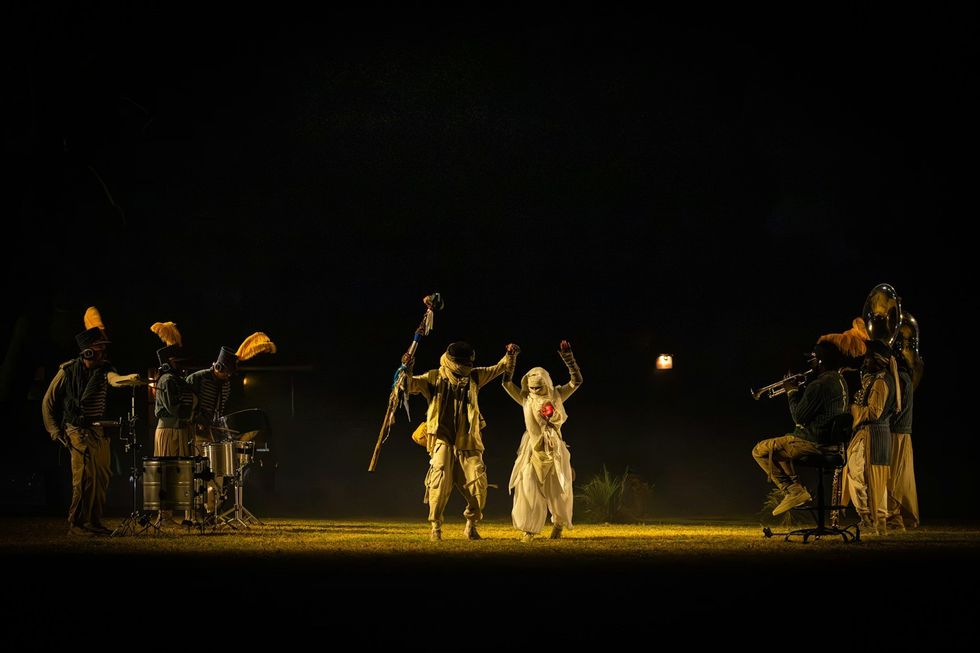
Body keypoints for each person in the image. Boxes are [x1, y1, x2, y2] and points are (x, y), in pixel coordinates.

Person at [41, 307, 142, 536]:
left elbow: (114, 380)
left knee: (101, 477)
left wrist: (130, 379)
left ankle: (94, 522)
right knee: (84, 478)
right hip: (76, 430)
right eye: (100, 349)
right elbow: (48, 401)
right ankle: (76, 525)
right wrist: (55, 431)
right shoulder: (67, 371)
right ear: (87, 352)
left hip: (98, 431)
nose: (104, 353)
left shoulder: (105, 369)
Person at [407, 341, 517, 541]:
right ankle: (436, 528)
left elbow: (499, 368)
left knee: (478, 483)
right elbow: (409, 385)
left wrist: (510, 355)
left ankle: (471, 525)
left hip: (468, 441)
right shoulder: (434, 377)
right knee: (438, 482)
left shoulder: (474, 376)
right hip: (442, 439)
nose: (463, 368)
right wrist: (407, 368)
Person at [752, 341, 850, 516]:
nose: (809, 363)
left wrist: (791, 391)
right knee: (781, 446)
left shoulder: (819, 385)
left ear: (820, 362)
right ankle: (796, 489)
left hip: (811, 443)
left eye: (812, 358)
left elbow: (799, 416)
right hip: (833, 446)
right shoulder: (839, 381)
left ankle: (792, 490)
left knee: (760, 450)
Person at [185, 333, 276, 514]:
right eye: (226, 372)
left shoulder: (226, 385)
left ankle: (212, 511)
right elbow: (188, 405)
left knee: (217, 474)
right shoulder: (197, 379)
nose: (228, 376)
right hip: (195, 433)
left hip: (214, 433)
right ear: (218, 367)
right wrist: (198, 420)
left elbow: (221, 409)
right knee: (198, 473)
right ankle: (196, 511)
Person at [503, 340, 582, 542]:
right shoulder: (525, 398)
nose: (536, 391)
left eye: (539, 387)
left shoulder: (556, 395)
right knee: (527, 484)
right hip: (533, 449)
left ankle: (558, 524)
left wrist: (568, 357)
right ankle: (528, 530)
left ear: (546, 383)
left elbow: (576, 381)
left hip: (554, 448)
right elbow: (506, 383)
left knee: (559, 488)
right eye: (532, 388)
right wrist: (511, 358)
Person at [842, 338, 899, 535]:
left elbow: (874, 412)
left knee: (857, 475)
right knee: (876, 480)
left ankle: (867, 519)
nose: (865, 363)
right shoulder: (884, 379)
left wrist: (853, 409)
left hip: (871, 435)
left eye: (868, 359)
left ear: (878, 360)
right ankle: (878, 523)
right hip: (879, 435)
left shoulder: (881, 382)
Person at [150, 321, 196, 525]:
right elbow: (174, 408)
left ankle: (185, 515)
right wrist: (190, 411)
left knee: (182, 472)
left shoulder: (175, 380)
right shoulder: (167, 380)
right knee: (167, 472)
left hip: (178, 429)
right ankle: (164, 515)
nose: (181, 365)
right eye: (177, 361)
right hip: (169, 430)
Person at [888, 314, 921, 530]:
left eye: (909, 342)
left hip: (898, 432)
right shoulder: (900, 371)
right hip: (897, 431)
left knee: (895, 479)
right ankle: (893, 516)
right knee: (896, 478)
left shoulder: (905, 372)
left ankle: (894, 518)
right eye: (902, 342)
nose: (905, 347)